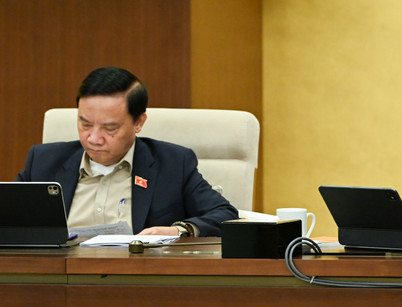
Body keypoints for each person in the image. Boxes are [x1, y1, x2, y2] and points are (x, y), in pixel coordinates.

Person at [16, 67, 238, 237]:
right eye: (85, 124)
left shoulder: (172, 164)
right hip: (56, 276)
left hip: (137, 276)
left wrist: (178, 230)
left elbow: (225, 215)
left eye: (109, 128)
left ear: (139, 122)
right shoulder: (43, 162)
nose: (93, 138)